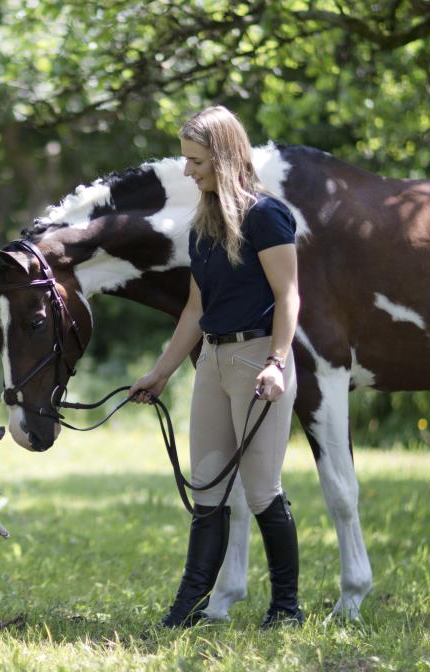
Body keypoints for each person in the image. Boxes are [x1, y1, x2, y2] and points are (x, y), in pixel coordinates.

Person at [129, 105, 303, 628]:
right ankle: (189, 606)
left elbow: (289, 296)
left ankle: (286, 608)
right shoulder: (202, 225)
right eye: (187, 160)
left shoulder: (267, 216)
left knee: (261, 490)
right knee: (206, 489)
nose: (188, 170)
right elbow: (194, 310)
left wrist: (277, 362)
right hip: (212, 361)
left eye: (196, 161)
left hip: (258, 361)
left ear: (224, 157)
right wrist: (161, 372)